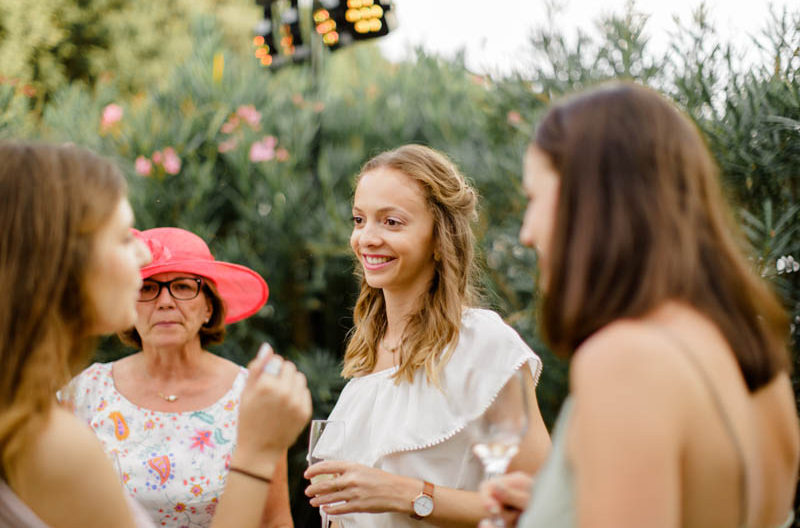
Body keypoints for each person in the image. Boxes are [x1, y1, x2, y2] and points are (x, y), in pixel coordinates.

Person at [479, 82, 800, 528]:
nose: (527, 233)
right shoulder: (756, 362)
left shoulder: (625, 359)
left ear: (590, 201)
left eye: (534, 198)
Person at [0, 141, 311, 528]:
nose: (146, 257)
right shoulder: (57, 430)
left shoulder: (24, 416)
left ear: (209, 306)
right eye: (120, 237)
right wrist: (255, 453)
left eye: (182, 286)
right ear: (56, 261)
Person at [304, 144, 552, 527]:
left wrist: (406, 494)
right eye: (359, 219)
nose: (366, 238)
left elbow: (542, 505)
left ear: (439, 238)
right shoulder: (367, 360)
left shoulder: (482, 345)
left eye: (392, 222)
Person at [63, 226, 292, 528]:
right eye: (147, 288)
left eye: (183, 287)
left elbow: (274, 521)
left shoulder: (253, 395)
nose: (166, 301)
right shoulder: (85, 393)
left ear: (209, 306)